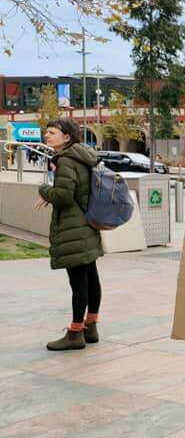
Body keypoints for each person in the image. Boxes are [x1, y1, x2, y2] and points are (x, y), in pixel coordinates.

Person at [34, 119, 104, 351]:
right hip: (87, 225)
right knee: (91, 276)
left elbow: (64, 195)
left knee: (78, 281)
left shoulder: (66, 160)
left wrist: (44, 190)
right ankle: (91, 327)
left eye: (52, 132)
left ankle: (75, 333)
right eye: (47, 132)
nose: (47, 135)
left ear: (66, 137)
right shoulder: (83, 156)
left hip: (73, 227)